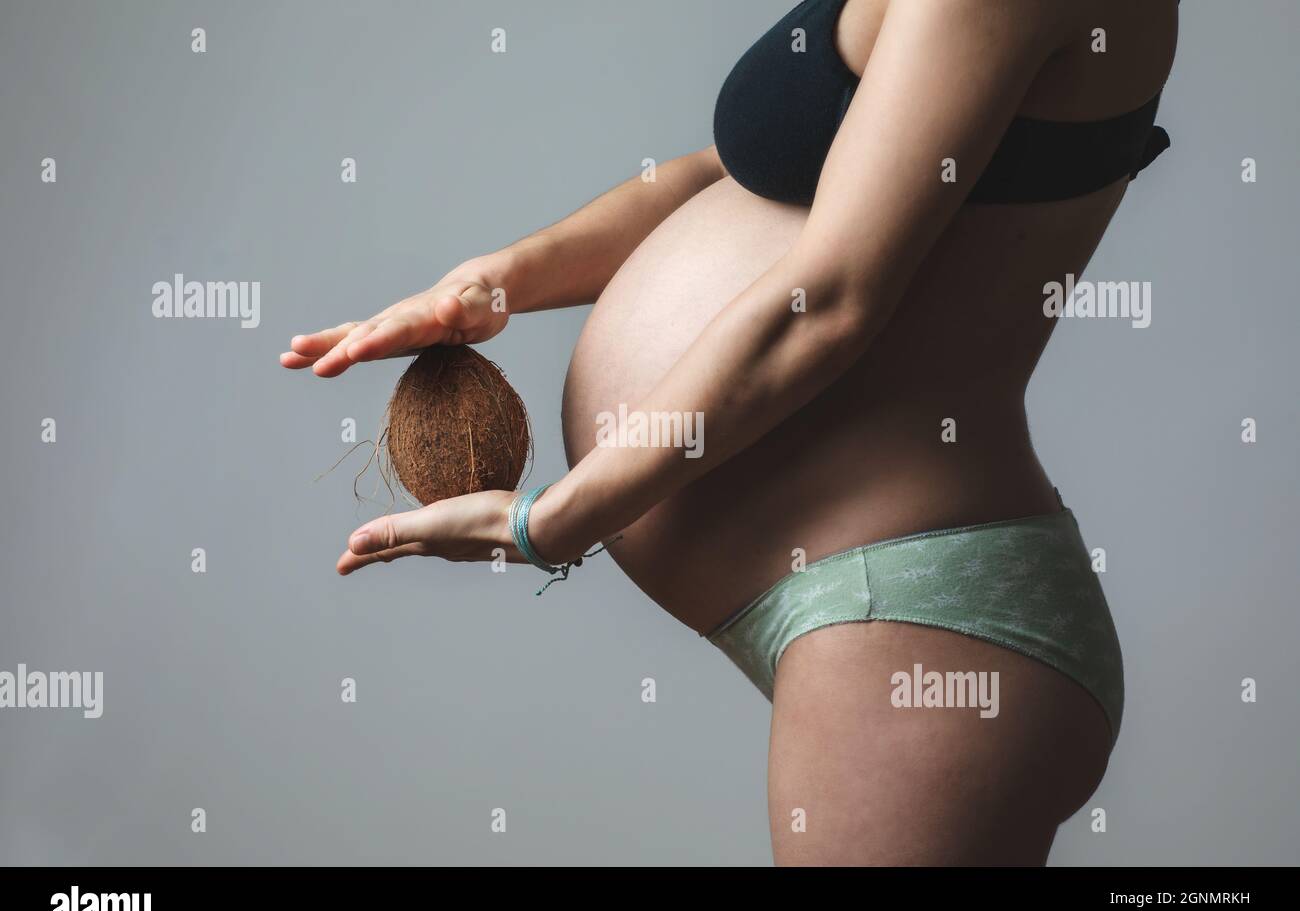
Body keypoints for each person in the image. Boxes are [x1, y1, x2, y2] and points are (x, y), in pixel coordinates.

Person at [281, 0, 1178, 864]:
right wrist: (495, 281)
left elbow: (822, 305)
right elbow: (736, 169)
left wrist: (546, 523)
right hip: (860, 602)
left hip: (914, 608)